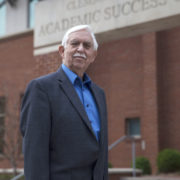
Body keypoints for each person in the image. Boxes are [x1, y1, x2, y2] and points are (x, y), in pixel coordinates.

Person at [20, 24, 108, 180]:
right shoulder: (41, 88)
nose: (81, 49)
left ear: (93, 55)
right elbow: (35, 151)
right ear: (62, 51)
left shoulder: (99, 94)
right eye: (74, 43)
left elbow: (101, 153)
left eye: (87, 46)